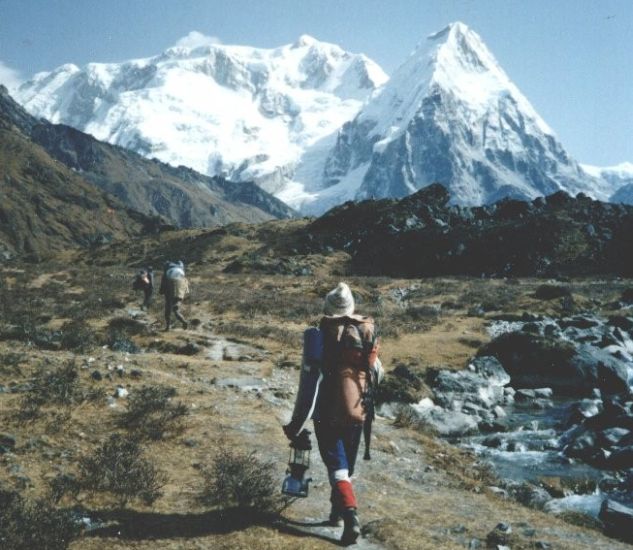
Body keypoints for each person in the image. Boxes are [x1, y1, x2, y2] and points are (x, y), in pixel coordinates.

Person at [284, 282, 381, 546]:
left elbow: (309, 383)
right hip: (358, 409)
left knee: (337, 466)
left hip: (327, 410)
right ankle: (336, 513)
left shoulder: (319, 335)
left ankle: (350, 516)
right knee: (345, 465)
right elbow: (377, 372)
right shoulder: (365, 330)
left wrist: (296, 422)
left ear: (327, 308)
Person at [159, 261, 189, 331]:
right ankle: (183, 321)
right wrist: (185, 291)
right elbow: (185, 283)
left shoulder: (167, 272)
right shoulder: (181, 272)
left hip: (169, 290)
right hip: (180, 287)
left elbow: (163, 285)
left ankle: (168, 327)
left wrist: (161, 291)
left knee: (168, 309)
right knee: (176, 309)